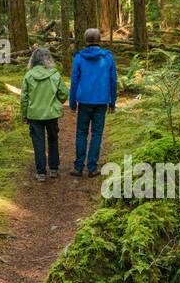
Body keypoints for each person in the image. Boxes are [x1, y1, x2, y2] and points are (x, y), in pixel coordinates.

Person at [69, 28, 117, 177]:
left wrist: (72, 102)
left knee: (81, 133)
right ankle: (92, 168)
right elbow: (113, 80)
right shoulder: (108, 57)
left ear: (86, 40)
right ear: (99, 40)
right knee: (96, 133)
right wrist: (112, 102)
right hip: (101, 101)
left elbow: (74, 81)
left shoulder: (79, 57)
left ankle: (78, 167)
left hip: (84, 101)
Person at [21, 46, 68, 181]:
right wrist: (57, 102)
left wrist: (24, 115)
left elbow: (24, 98)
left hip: (34, 115)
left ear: (33, 60)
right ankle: (54, 169)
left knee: (38, 142)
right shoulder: (55, 74)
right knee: (53, 139)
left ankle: (41, 172)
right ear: (48, 59)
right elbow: (64, 94)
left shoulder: (29, 75)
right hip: (51, 114)